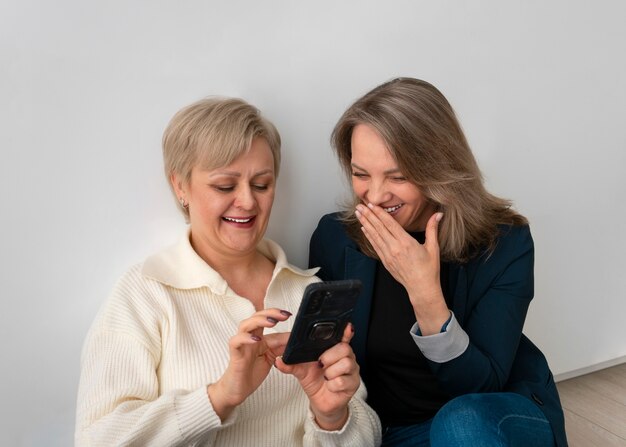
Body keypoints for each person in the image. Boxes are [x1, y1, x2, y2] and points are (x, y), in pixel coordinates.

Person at [75, 97, 382, 446]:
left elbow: (366, 436)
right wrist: (219, 397)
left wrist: (332, 418)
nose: (248, 202)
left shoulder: (307, 292)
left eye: (262, 184)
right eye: (225, 186)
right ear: (180, 186)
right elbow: (96, 439)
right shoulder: (145, 293)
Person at [308, 78, 567, 447]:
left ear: (437, 168)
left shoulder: (505, 243)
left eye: (397, 176)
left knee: (459, 424)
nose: (376, 196)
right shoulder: (334, 239)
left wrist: (424, 292)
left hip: (487, 419)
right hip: (390, 431)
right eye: (361, 174)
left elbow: (480, 386)